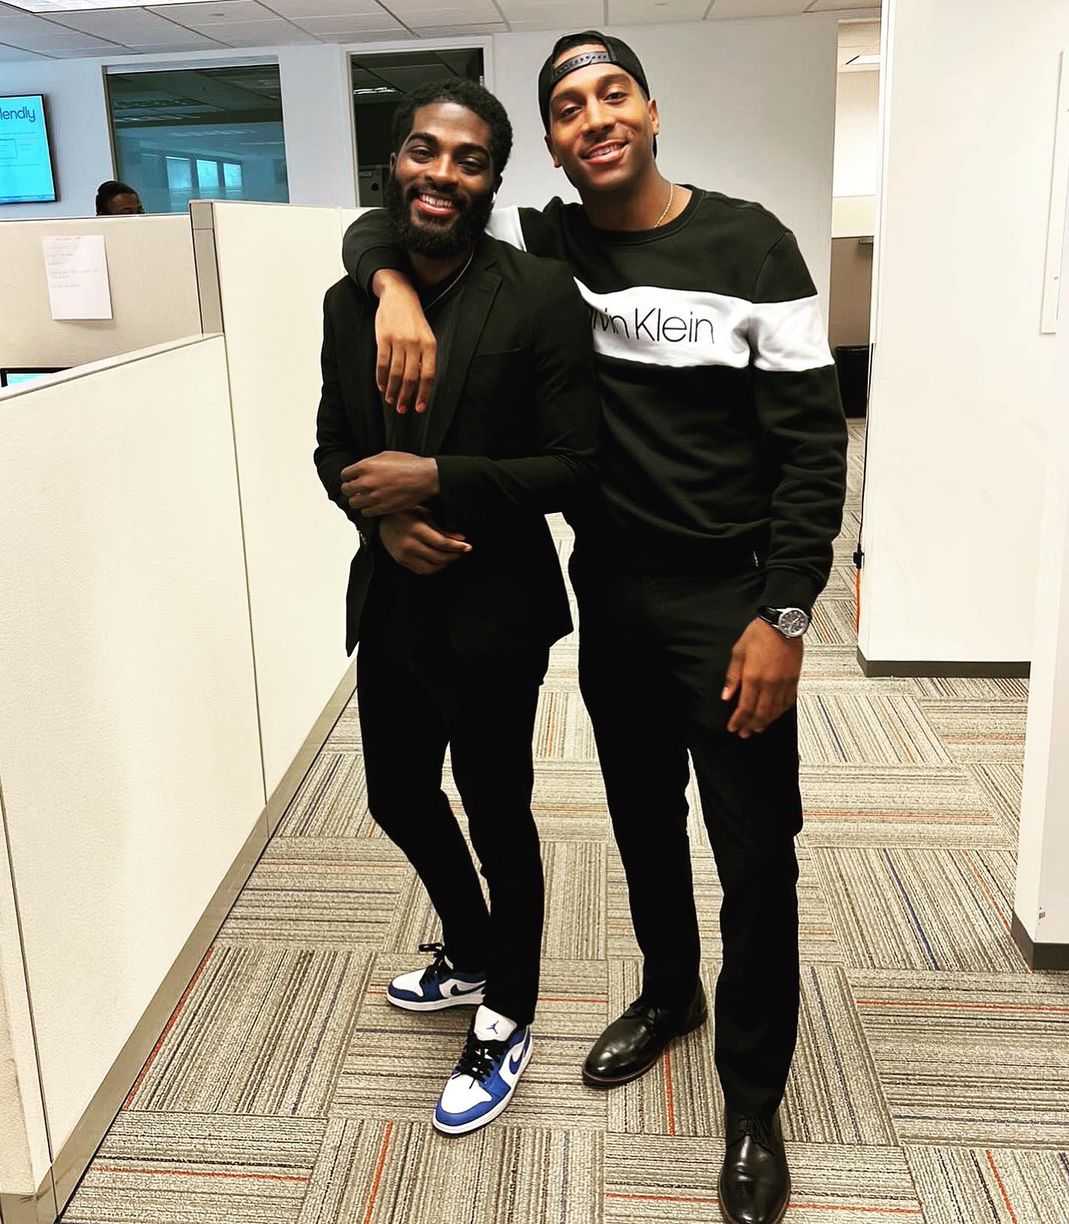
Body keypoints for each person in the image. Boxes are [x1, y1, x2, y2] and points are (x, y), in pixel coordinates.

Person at [342, 31, 848, 1223]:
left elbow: (813, 447)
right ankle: (671, 992)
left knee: (755, 853)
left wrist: (785, 613)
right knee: (641, 822)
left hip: (730, 599)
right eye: (568, 108)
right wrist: (393, 287)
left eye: (612, 93)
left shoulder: (752, 243)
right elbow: (385, 224)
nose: (594, 117)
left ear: (651, 111)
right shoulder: (549, 249)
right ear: (554, 147)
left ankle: (753, 1097)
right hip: (614, 591)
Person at [315, 77, 599, 1137]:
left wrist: (435, 481)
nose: (442, 173)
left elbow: (576, 466)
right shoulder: (351, 300)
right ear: (396, 161)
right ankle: (471, 947)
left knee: (497, 810)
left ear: (492, 178)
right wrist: (381, 518)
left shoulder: (540, 294)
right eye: (425, 151)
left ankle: (509, 1008)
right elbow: (332, 448)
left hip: (495, 609)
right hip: (391, 598)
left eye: (469, 159)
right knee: (396, 796)